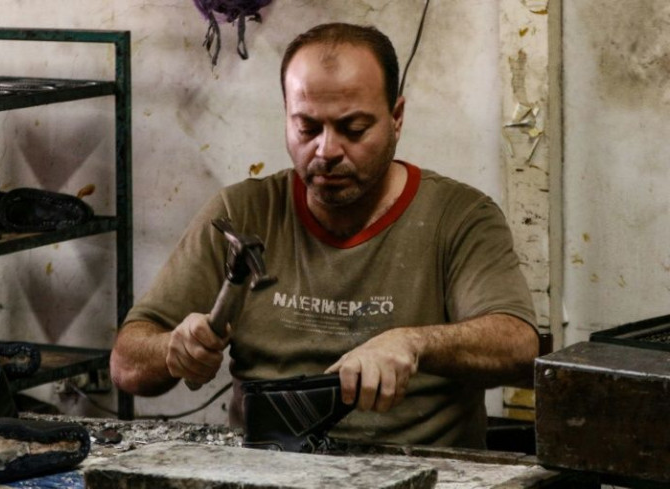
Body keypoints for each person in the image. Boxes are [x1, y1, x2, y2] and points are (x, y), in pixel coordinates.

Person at [110, 22, 539, 449]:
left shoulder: (459, 217)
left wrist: (415, 343)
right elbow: (127, 366)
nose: (327, 151)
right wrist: (172, 348)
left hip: (418, 471)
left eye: (353, 129)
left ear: (397, 118)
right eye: (308, 128)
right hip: (266, 471)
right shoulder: (241, 212)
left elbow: (518, 346)